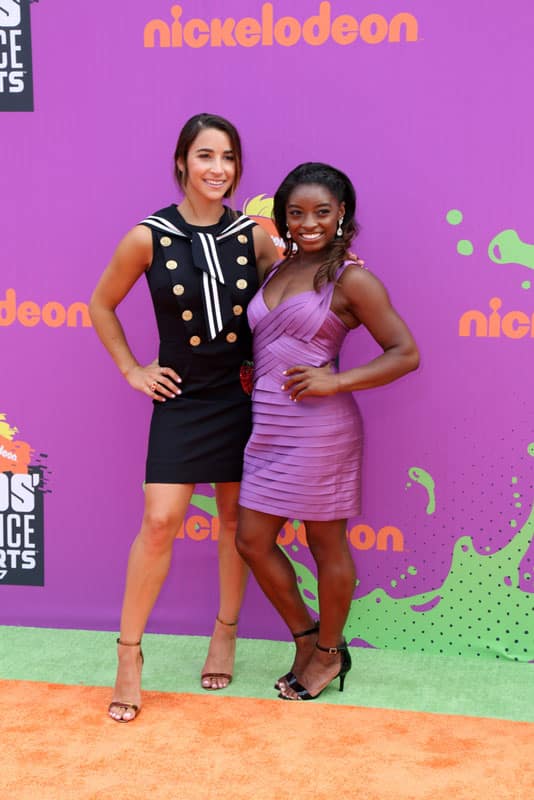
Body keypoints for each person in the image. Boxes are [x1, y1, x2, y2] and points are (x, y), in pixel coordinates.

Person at [89, 113, 278, 721]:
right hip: (183, 398)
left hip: (242, 395)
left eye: (227, 158)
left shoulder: (254, 235)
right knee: (162, 519)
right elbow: (101, 303)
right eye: (204, 156)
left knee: (232, 523)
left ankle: (224, 632)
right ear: (182, 163)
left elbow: (303, 284)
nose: (217, 169)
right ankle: (128, 653)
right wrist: (131, 370)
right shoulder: (148, 236)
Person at [236, 162, 419, 700]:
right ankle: (307, 637)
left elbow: (405, 353)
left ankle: (330, 652)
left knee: (324, 541)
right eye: (296, 213)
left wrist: (335, 382)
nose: (308, 222)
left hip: (322, 431)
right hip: (268, 426)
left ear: (342, 214)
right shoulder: (275, 269)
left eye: (321, 212)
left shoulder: (352, 278)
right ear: (283, 218)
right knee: (251, 540)